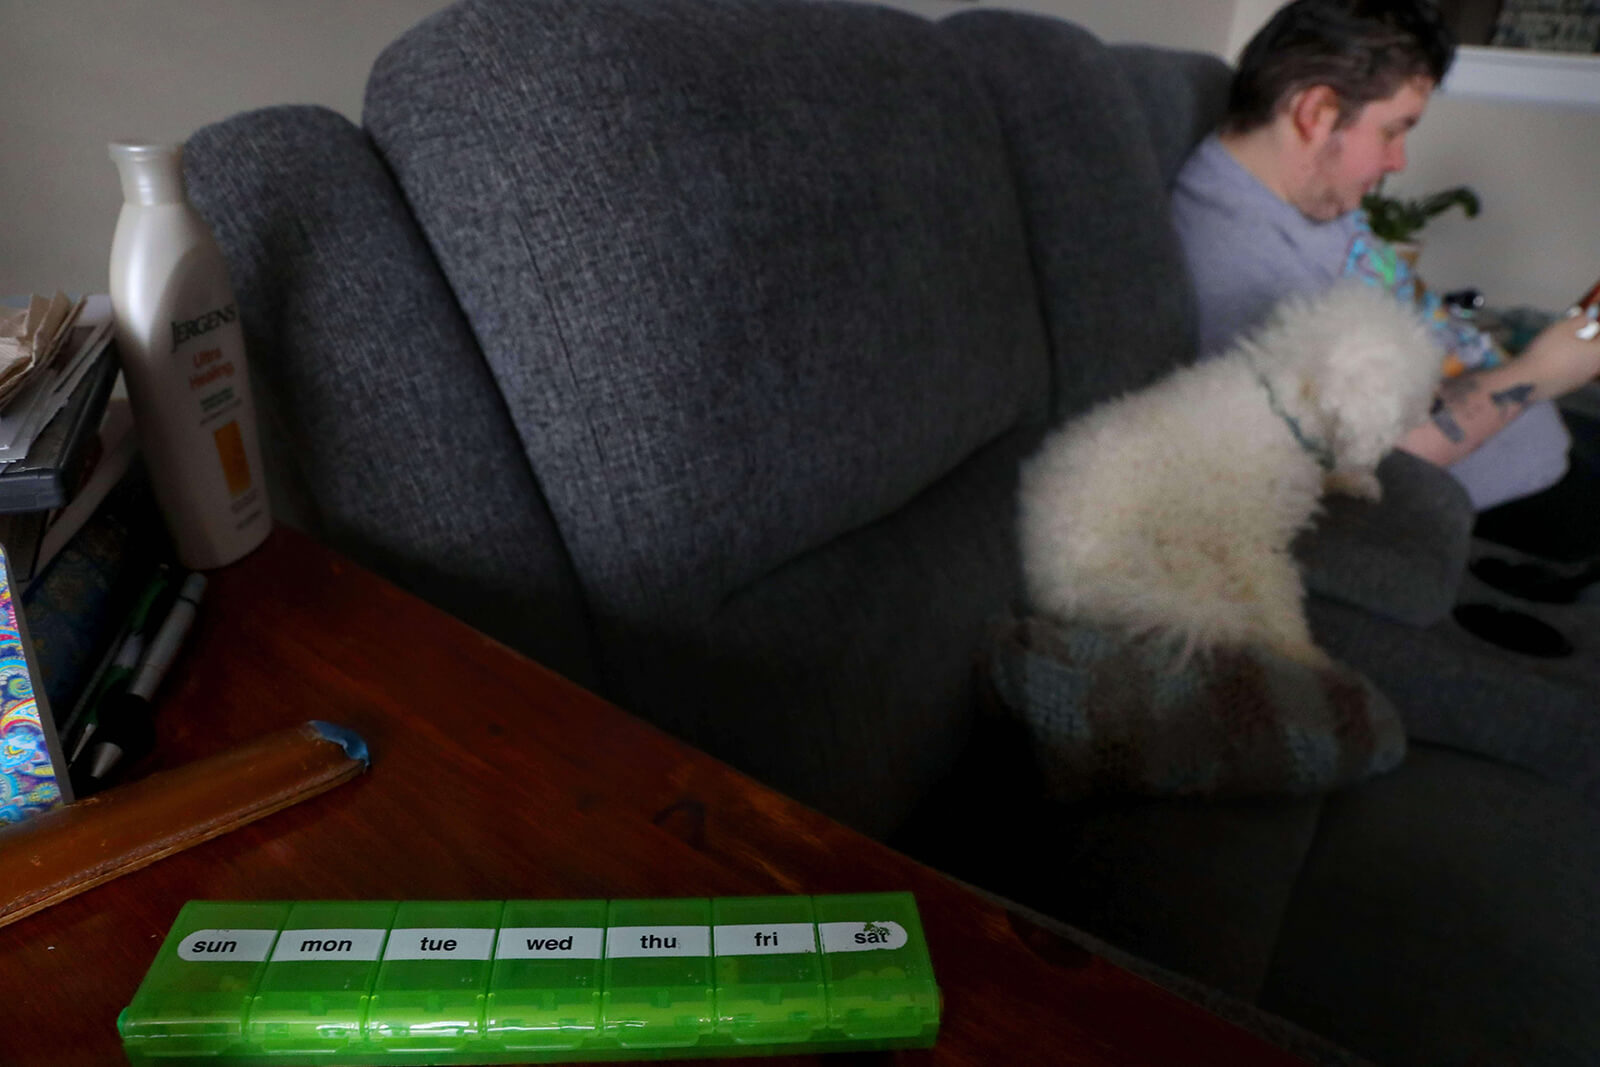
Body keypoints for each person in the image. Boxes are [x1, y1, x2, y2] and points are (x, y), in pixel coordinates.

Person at [1171, 0, 1600, 511]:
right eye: (1393, 130)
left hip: (1527, 422)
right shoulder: (1240, 265)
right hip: (1510, 499)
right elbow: (1355, 466)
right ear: (1315, 113)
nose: (1399, 159)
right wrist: (1545, 370)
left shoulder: (1305, 187)